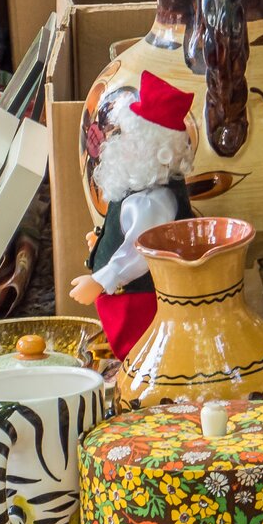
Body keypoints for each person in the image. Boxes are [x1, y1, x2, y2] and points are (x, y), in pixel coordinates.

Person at [69, 71, 194, 359]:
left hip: (142, 303)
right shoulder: (138, 189)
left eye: (127, 138)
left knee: (141, 351)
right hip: (130, 301)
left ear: (153, 150)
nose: (117, 144)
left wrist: (101, 280)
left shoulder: (153, 202)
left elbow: (141, 253)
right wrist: (102, 241)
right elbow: (127, 232)